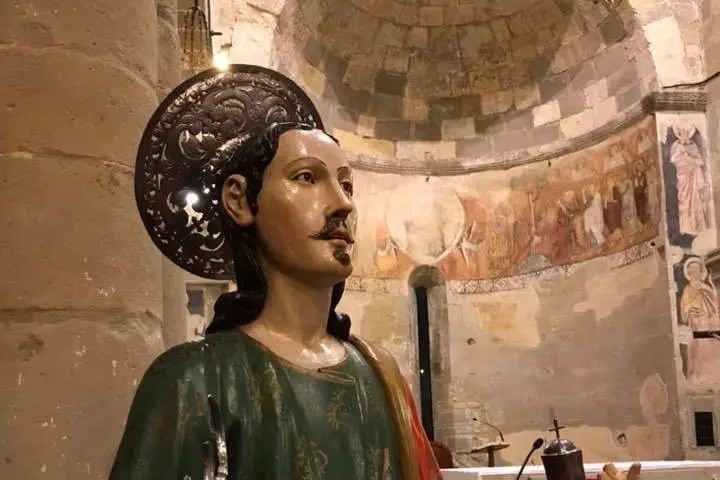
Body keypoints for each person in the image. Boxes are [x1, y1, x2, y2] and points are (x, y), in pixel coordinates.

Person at [110, 65, 440, 480]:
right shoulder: (193, 378)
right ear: (240, 201)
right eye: (307, 177)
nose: (343, 204)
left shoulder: (382, 376)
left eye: (347, 185)